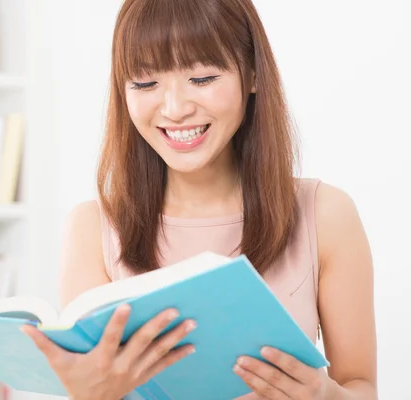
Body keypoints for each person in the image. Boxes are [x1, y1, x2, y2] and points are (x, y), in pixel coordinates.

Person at [20, 0, 378, 398]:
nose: (175, 109)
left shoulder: (325, 214)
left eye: (203, 78)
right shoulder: (93, 228)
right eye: (144, 83)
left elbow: (361, 386)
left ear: (253, 73)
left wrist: (323, 395)